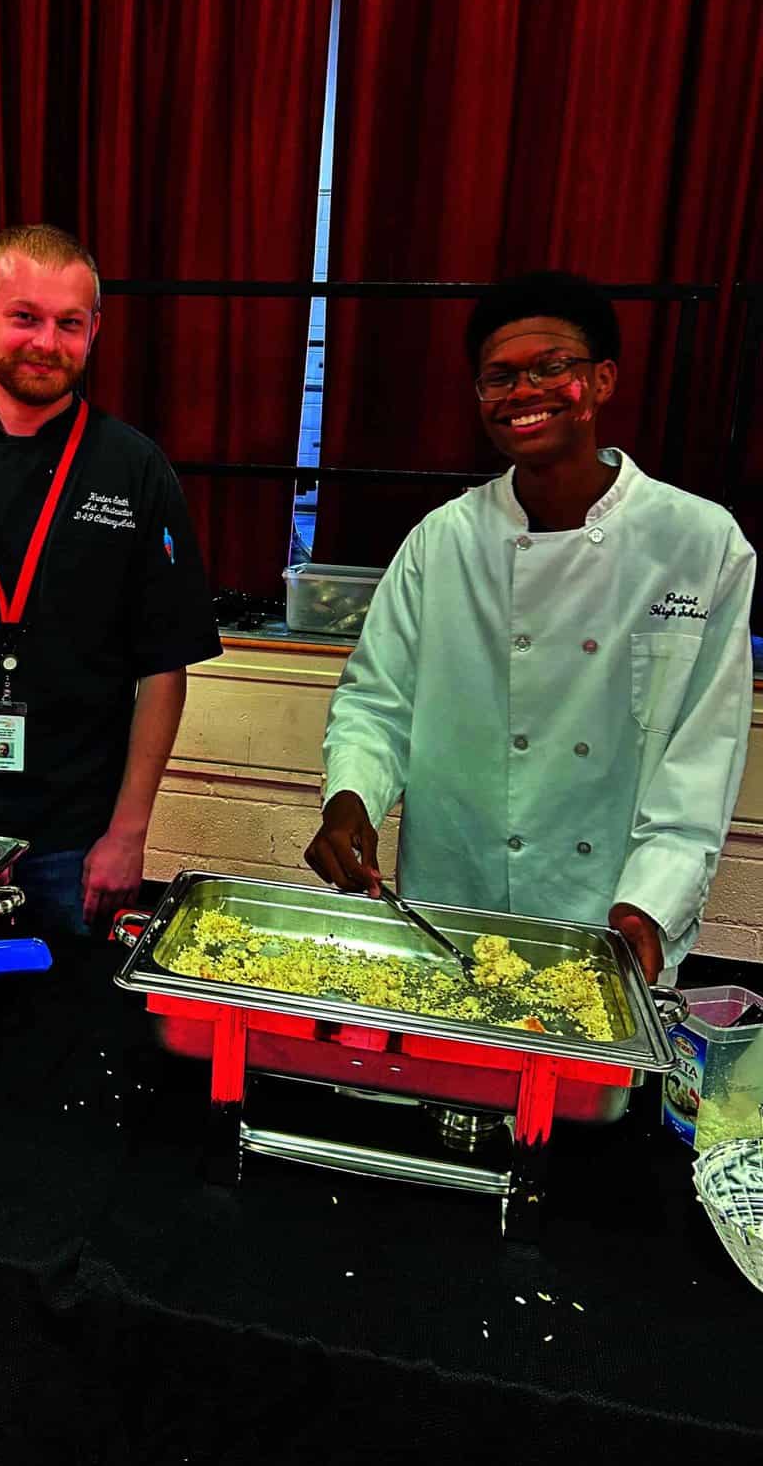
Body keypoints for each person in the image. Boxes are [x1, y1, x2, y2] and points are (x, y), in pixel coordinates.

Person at [305, 270, 755, 983]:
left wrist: (652, 905)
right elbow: (375, 700)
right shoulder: (442, 540)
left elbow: (704, 752)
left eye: (552, 368)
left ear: (601, 381)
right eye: (499, 377)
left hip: (608, 908)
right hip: (452, 895)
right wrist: (350, 797)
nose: (523, 392)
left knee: (583, 1093)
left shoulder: (699, 543)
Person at [0, 224, 222, 936]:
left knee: (59, 1029)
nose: (46, 342)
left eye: (69, 324)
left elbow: (164, 669)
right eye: (24, 317)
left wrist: (129, 833)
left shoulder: (135, 471)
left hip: (75, 840)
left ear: (94, 329)